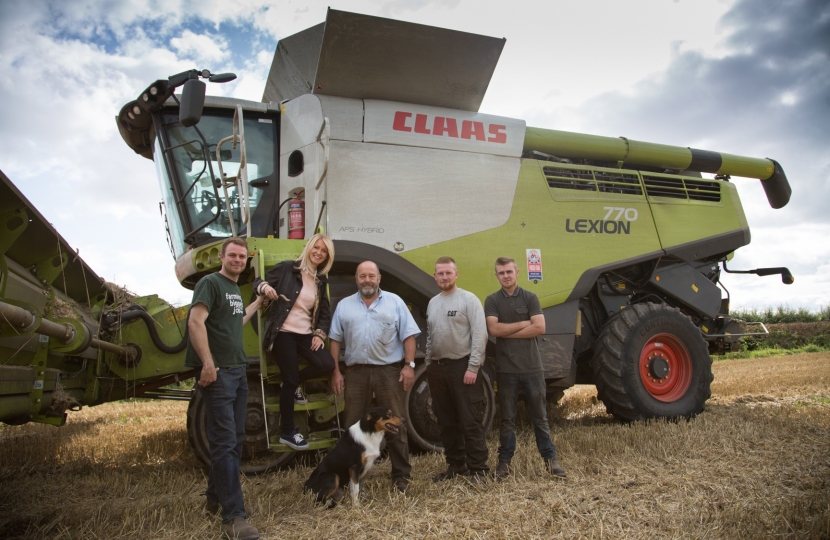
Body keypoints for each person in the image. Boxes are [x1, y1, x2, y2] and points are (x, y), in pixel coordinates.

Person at [186, 237, 264, 540]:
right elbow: (195, 322)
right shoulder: (210, 283)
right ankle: (233, 517)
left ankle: (215, 499)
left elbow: (235, 321)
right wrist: (207, 363)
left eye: (242, 257)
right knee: (224, 442)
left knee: (235, 439)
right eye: (232, 255)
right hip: (218, 373)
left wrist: (257, 304)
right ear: (222, 257)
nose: (238, 260)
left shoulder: (233, 289)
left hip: (238, 370)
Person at [328, 261, 421, 493]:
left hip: (388, 371)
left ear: (379, 278)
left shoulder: (395, 302)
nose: (367, 280)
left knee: (395, 424)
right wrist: (335, 371)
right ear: (356, 279)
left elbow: (409, 335)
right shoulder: (344, 306)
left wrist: (409, 366)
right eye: (362, 276)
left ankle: (401, 477)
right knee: (352, 428)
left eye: (371, 275)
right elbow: (335, 340)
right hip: (356, 373)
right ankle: (352, 478)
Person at [484, 257, 566, 479]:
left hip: (532, 368)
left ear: (517, 272)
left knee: (540, 416)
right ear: (496, 275)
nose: (506, 276)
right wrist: (523, 323)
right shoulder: (492, 301)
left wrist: (507, 330)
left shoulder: (530, 297)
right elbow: (493, 329)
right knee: (507, 419)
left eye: (509, 271)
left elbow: (539, 327)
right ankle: (504, 463)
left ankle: (551, 461)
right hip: (506, 369)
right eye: (501, 273)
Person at [253, 233, 336, 450]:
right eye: (316, 247)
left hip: (305, 334)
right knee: (290, 381)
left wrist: (319, 333)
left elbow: (325, 313)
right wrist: (265, 288)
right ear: (309, 247)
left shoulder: (320, 281)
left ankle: (290, 381)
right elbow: (258, 282)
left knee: (327, 364)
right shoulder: (287, 268)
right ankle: (288, 432)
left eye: (324, 250)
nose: (318, 252)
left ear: (327, 256)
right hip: (283, 332)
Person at [425, 256, 490, 483]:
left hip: (463, 367)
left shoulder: (468, 300)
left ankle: (479, 470)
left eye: (448, 273)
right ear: (435, 276)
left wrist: (473, 367)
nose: (444, 277)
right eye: (440, 273)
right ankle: (456, 465)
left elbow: (480, 335)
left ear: (456, 274)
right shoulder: (433, 303)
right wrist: (428, 364)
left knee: (470, 420)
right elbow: (430, 336)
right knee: (446, 421)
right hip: (438, 369)